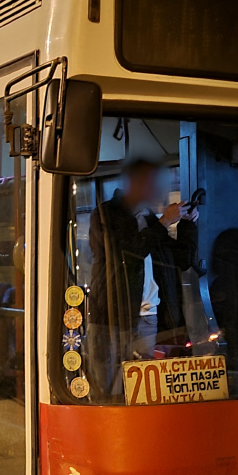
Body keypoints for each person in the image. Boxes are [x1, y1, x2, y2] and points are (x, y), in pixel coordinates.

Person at [85, 159, 198, 397]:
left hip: (147, 315)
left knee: (140, 389)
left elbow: (181, 259)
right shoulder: (105, 214)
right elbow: (126, 255)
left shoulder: (147, 217)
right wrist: (163, 222)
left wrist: (188, 225)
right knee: (109, 387)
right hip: (112, 315)